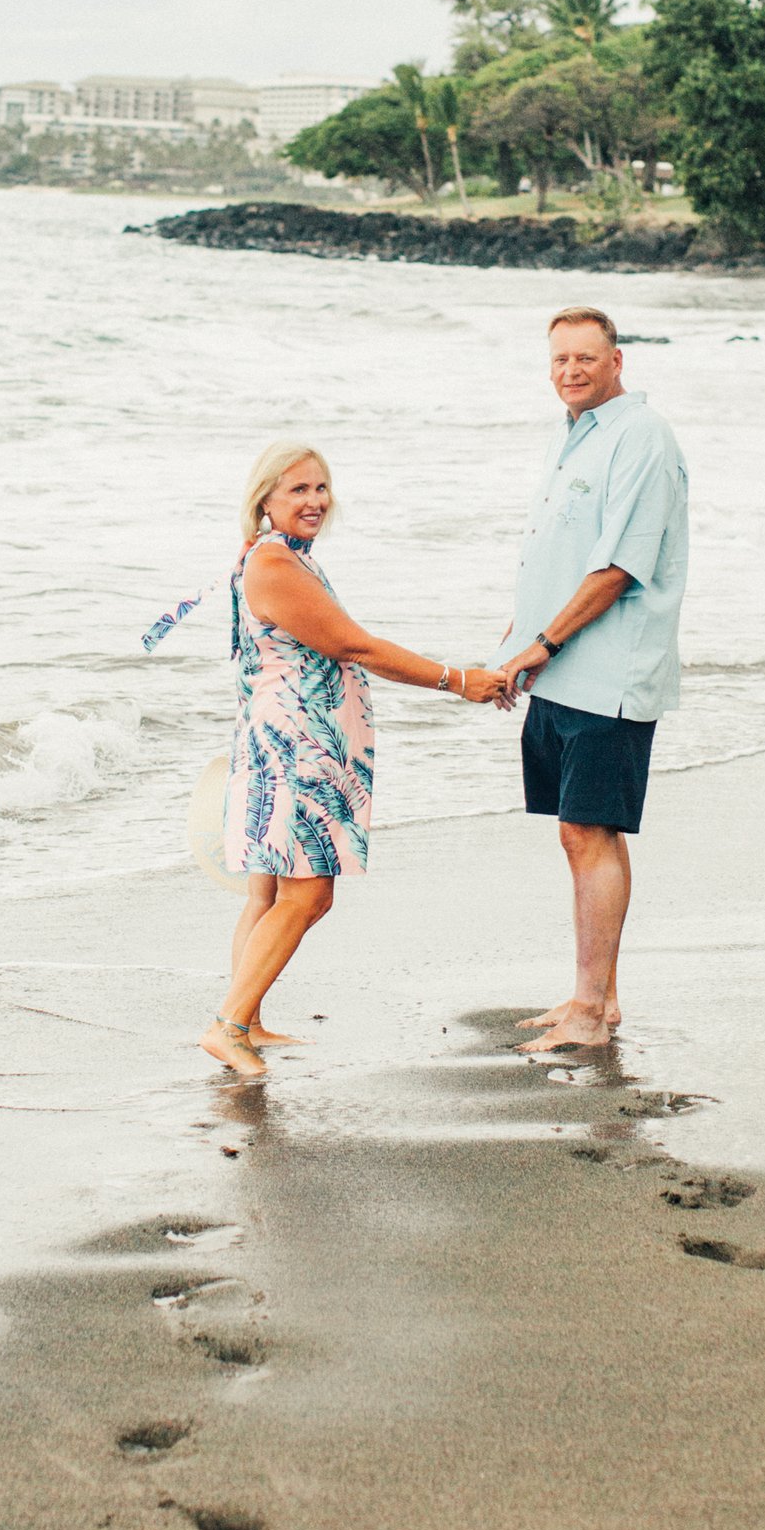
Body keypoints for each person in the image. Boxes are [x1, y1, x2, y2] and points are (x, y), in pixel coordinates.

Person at [148, 440, 510, 1079]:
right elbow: (355, 646)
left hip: (282, 743)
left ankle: (247, 1020)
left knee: (268, 891)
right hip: (297, 753)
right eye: (298, 491)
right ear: (265, 500)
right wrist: (458, 679)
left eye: (321, 489)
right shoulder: (275, 567)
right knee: (309, 894)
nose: (315, 501)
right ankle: (227, 1026)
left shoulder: (280, 557)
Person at [496, 307, 688, 1051]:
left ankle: (587, 1012)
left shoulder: (642, 436)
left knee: (589, 830)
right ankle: (599, 998)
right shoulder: (573, 435)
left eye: (585, 357)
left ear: (617, 361)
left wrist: (543, 640)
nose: (570, 371)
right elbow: (560, 547)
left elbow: (619, 567)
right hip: (559, 667)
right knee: (583, 833)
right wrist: (519, 637)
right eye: (558, 360)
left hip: (608, 670)